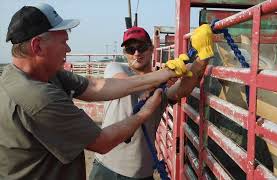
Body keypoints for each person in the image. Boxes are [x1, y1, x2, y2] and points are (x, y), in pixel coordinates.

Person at [0, 3, 191, 180]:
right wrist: (146, 111)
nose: (68, 48)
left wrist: (165, 73)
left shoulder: (33, 75)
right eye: (63, 42)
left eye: (141, 47)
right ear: (37, 46)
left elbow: (95, 87)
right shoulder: (38, 97)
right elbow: (101, 142)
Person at [90, 25, 214, 179]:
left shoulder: (161, 82)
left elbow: (182, 89)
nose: (136, 53)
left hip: (143, 173)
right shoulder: (115, 68)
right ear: (125, 53)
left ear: (151, 48)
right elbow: (128, 84)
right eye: (130, 49)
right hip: (108, 169)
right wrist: (165, 74)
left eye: (141, 47)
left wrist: (203, 56)